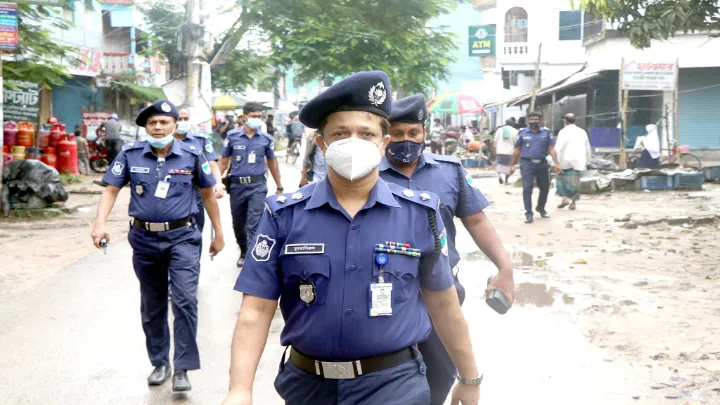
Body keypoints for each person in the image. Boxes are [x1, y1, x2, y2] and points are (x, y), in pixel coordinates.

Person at [222, 71, 481, 405]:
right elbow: (256, 311)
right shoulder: (283, 215)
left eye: (366, 133)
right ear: (322, 143)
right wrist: (239, 389)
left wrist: (470, 376)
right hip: (307, 387)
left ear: (383, 143)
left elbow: (444, 304)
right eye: (341, 133)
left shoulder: (420, 214)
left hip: (393, 386)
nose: (353, 141)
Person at [381, 93, 514, 405]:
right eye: (397, 134)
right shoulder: (366, 175)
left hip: (442, 290)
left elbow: (477, 221)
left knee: (441, 374)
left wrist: (505, 267)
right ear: (386, 136)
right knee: (389, 377)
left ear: (425, 133)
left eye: (413, 133)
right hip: (386, 291)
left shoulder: (449, 171)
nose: (406, 141)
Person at [90, 99, 225, 392]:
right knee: (152, 304)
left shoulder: (192, 154)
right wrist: (100, 224)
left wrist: (218, 232)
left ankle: (184, 367)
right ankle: (160, 362)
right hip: (144, 239)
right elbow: (111, 189)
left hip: (184, 237)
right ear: (145, 128)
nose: (159, 127)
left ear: (175, 125)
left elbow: (208, 194)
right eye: (153, 123)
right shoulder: (130, 154)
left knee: (185, 300)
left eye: (164, 122)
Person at [219, 102, 284, 268]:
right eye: (254, 116)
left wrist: (279, 185)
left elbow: (272, 162)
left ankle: (253, 257)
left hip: (257, 186)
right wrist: (216, 182)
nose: (257, 119)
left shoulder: (266, 139)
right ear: (245, 117)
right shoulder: (232, 136)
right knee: (238, 223)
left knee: (253, 222)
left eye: (259, 116)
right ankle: (243, 250)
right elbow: (223, 162)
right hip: (236, 186)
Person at [174, 107, 226, 233]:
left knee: (196, 232)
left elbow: (211, 164)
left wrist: (218, 183)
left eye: (185, 119)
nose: (182, 121)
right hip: (172, 193)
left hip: (196, 193)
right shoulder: (164, 142)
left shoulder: (200, 141)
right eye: (179, 119)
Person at [509, 112, 562, 224]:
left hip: (542, 164)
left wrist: (557, 163)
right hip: (527, 164)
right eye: (532, 119)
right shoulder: (522, 133)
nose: (534, 121)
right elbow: (517, 149)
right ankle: (528, 214)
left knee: (545, 188)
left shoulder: (546, 133)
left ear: (540, 120)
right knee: (527, 189)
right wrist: (512, 165)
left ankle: (541, 208)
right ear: (529, 120)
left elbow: (551, 148)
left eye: (536, 119)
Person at [554, 113, 591, 210]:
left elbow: (558, 148)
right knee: (575, 183)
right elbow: (587, 148)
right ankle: (573, 202)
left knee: (560, 180)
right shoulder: (582, 132)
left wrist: (555, 162)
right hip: (578, 161)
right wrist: (587, 161)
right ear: (575, 120)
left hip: (563, 161)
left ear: (564, 121)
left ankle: (564, 198)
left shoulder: (563, 132)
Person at [494, 119, 519, 184]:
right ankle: (506, 180)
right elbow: (517, 143)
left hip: (500, 151)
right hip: (510, 152)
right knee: (509, 166)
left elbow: (495, 141)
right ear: (513, 124)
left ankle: (499, 176)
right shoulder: (515, 131)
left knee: (500, 165)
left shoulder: (499, 130)